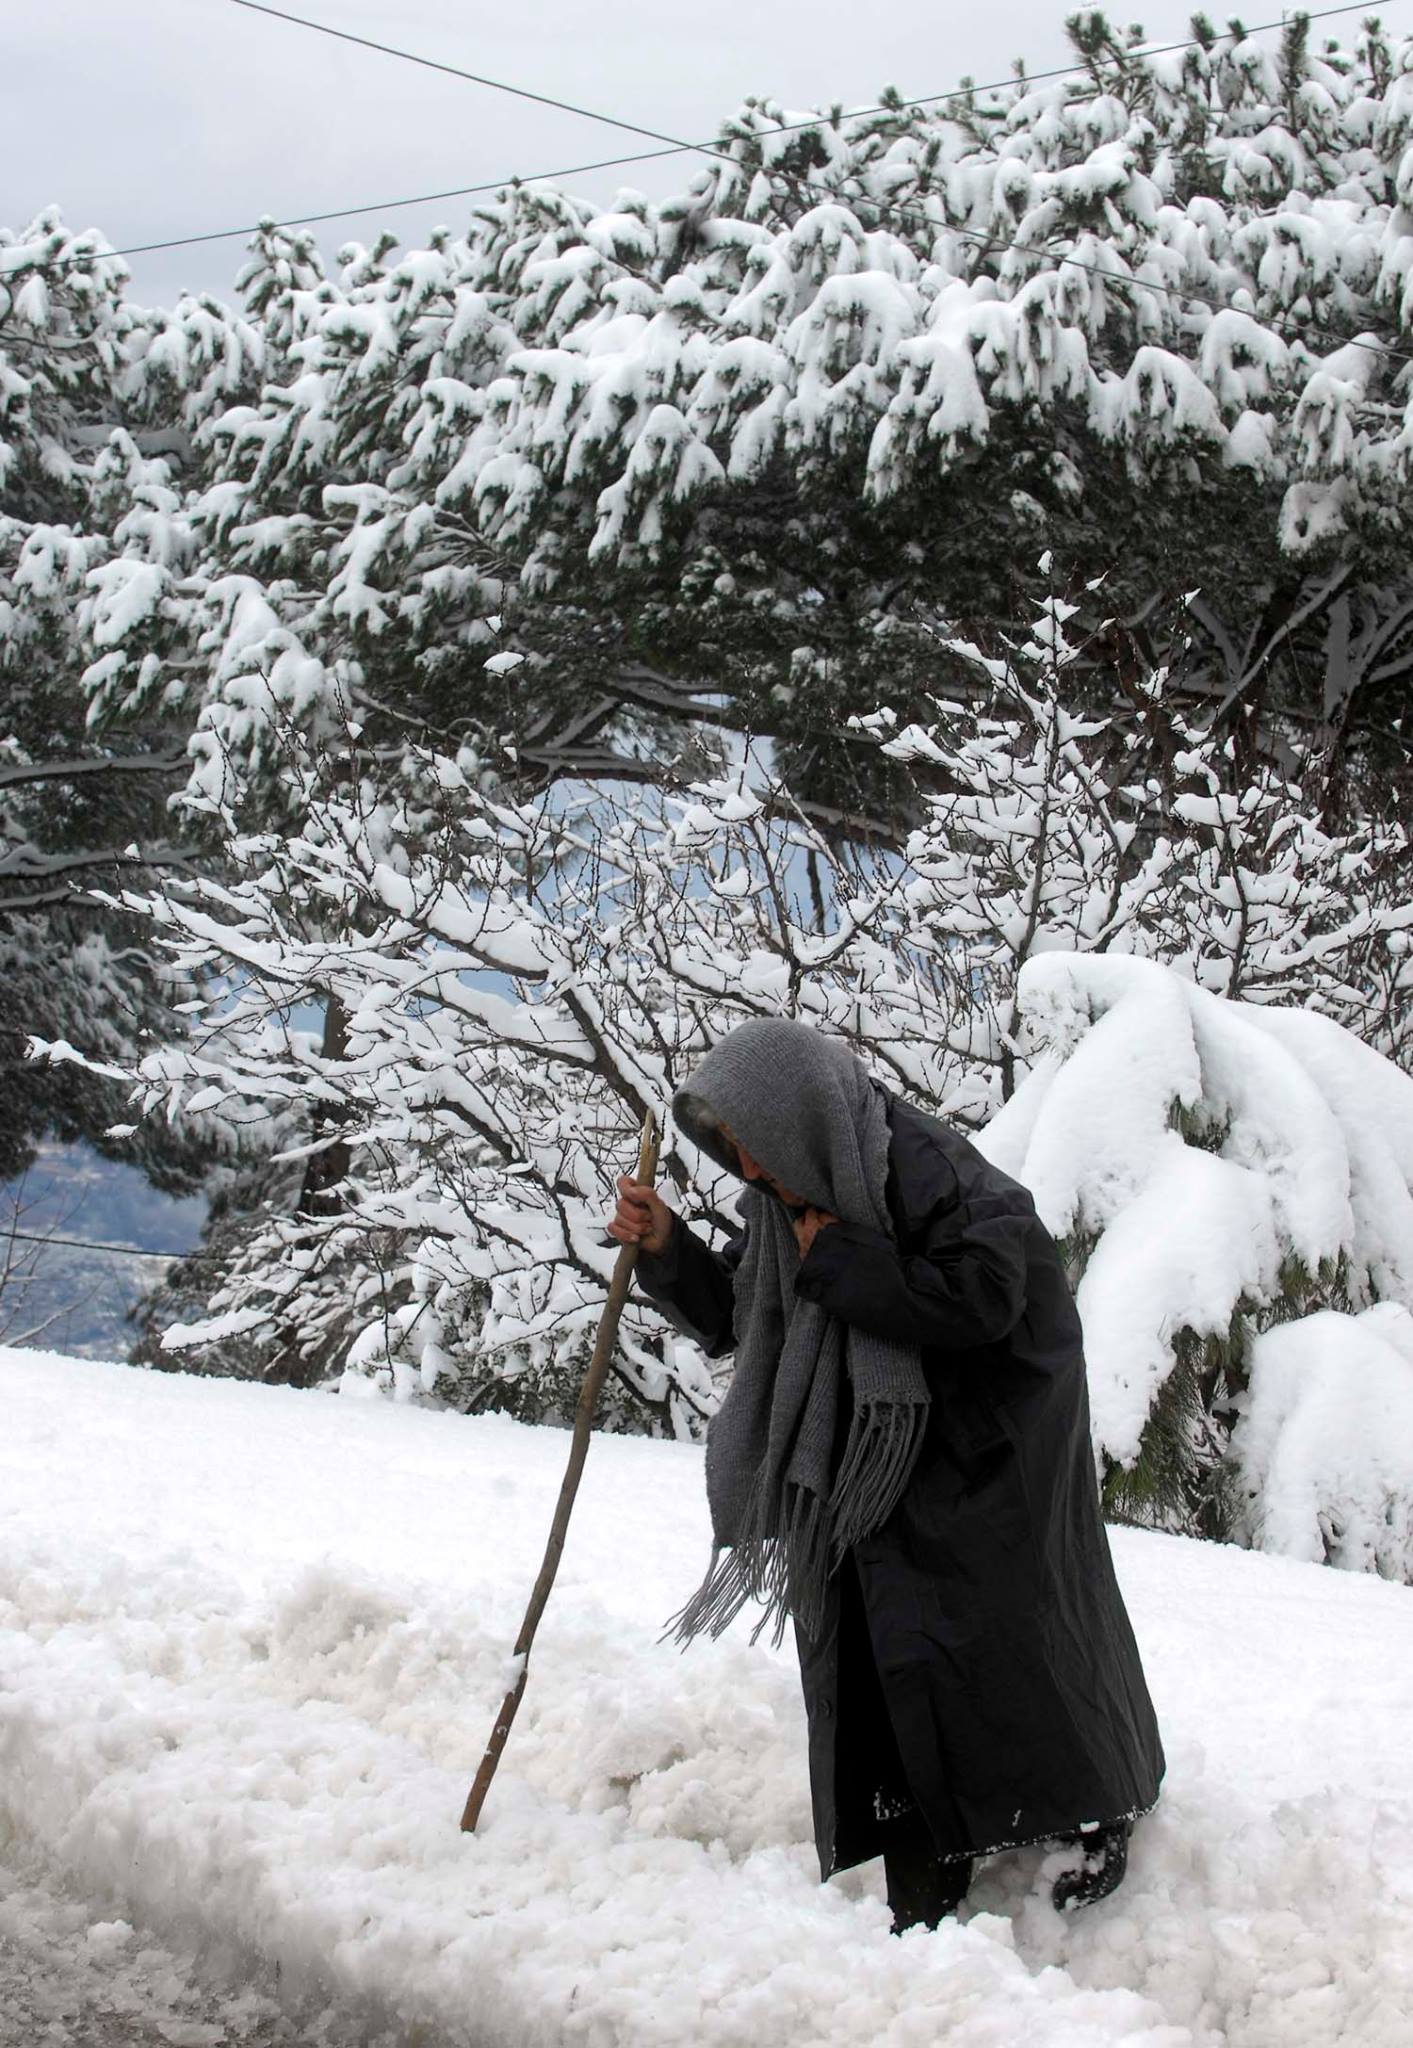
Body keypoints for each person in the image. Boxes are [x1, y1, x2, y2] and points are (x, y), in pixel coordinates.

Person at [606, 1016, 1164, 1933]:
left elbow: (984, 1296)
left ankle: (1090, 1816)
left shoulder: (936, 1173)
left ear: (798, 1119)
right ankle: (925, 1831)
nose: (749, 1174)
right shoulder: (796, 1193)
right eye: (733, 1155)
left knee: (1014, 1636)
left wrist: (841, 1259)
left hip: (994, 1437)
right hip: (872, 1449)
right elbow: (753, 1321)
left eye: (754, 1150)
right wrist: (668, 1250)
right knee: (884, 1641)